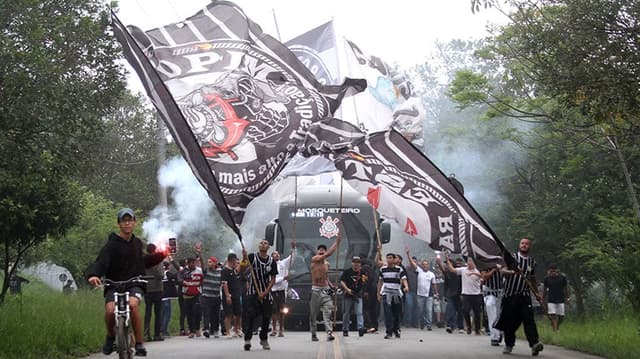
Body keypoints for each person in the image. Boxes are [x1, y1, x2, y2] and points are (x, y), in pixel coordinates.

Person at [86, 208, 166, 357]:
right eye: (124, 220)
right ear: (119, 224)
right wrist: (93, 275)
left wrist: (161, 255)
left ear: (134, 222)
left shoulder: (136, 243)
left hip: (134, 283)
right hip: (113, 284)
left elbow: (142, 262)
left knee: (133, 305)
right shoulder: (111, 245)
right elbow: (100, 262)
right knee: (110, 311)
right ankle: (110, 337)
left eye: (130, 220)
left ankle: (139, 343)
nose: (127, 223)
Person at [495, 238, 544, 356]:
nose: (524, 245)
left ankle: (534, 344)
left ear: (529, 247)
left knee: (529, 319)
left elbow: (532, 278)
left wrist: (537, 294)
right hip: (510, 294)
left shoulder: (532, 262)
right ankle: (509, 344)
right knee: (509, 321)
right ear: (519, 245)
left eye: (527, 244)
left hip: (524, 295)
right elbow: (502, 270)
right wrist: (513, 272)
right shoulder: (512, 258)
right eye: (522, 243)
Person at [239, 239, 277, 351]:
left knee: (266, 317)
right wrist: (244, 259)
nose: (263, 244)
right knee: (250, 317)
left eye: (265, 243)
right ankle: (247, 340)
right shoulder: (252, 257)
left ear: (268, 247)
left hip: (266, 293)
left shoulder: (271, 261)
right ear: (258, 246)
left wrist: (265, 292)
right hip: (252, 292)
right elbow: (241, 271)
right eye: (261, 243)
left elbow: (273, 278)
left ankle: (264, 339)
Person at [309, 234, 342, 342]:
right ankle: (313, 334)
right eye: (320, 250)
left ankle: (329, 332)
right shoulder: (314, 259)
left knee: (327, 312)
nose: (322, 251)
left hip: (326, 289)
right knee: (313, 315)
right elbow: (328, 254)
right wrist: (336, 243)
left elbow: (326, 277)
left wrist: (332, 286)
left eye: (323, 250)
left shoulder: (327, 264)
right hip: (316, 290)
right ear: (317, 252)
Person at [447, 256, 483, 335]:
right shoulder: (463, 270)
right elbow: (452, 270)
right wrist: (447, 260)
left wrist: (473, 273)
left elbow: (483, 277)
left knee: (477, 313)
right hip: (466, 294)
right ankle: (468, 326)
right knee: (465, 310)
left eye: (471, 261)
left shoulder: (478, 271)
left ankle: (477, 329)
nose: (469, 263)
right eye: (468, 261)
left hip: (476, 294)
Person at [378, 253, 409, 339]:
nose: (389, 260)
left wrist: (406, 286)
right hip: (386, 293)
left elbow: (404, 279)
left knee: (396, 313)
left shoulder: (399, 269)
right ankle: (389, 332)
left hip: (396, 293)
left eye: (391, 258)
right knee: (388, 313)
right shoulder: (382, 269)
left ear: (394, 259)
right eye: (387, 258)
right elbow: (380, 282)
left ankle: (396, 329)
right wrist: (378, 293)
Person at [270, 241, 296, 337]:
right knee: (273, 311)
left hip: (281, 291)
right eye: (274, 255)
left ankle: (281, 329)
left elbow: (292, 258)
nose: (276, 256)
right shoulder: (269, 266)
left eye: (277, 254)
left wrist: (293, 249)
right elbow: (272, 280)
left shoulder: (283, 264)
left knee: (282, 311)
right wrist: (282, 278)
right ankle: (274, 329)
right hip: (273, 290)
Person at [407, 253, 438, 331]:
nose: (425, 266)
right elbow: (412, 263)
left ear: (428, 266)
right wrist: (408, 254)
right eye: (423, 264)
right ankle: (422, 322)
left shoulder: (431, 274)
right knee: (420, 311)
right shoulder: (419, 271)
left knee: (429, 310)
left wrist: (436, 293)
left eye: (426, 264)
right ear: (422, 265)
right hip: (420, 295)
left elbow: (434, 284)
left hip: (429, 295)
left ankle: (429, 325)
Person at [198, 249, 223, 339]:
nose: (209, 263)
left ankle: (215, 330)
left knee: (216, 314)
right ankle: (206, 329)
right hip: (206, 296)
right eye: (208, 262)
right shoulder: (206, 271)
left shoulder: (220, 271)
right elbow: (202, 264)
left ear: (215, 263)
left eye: (210, 262)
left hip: (216, 296)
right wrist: (200, 254)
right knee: (206, 313)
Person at [436, 256, 464, 334]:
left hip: (459, 294)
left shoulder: (459, 272)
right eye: (446, 264)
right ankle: (450, 326)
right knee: (450, 310)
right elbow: (443, 270)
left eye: (448, 263)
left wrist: (462, 294)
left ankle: (460, 327)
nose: (447, 265)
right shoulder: (448, 272)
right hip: (451, 294)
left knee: (460, 311)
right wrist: (439, 262)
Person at [143, 243, 165, 342]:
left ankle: (146, 334)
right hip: (157, 289)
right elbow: (160, 275)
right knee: (158, 312)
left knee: (148, 312)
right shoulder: (158, 260)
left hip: (146, 288)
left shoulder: (143, 259)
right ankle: (157, 334)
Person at [340, 256, 366, 337]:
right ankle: (345, 329)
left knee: (359, 312)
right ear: (352, 263)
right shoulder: (347, 272)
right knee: (346, 313)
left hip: (358, 295)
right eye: (354, 262)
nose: (356, 264)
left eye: (358, 262)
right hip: (348, 295)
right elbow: (342, 281)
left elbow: (365, 283)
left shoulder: (363, 273)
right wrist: (347, 289)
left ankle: (360, 328)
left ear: (360, 264)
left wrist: (362, 291)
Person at [543, 263, 570, 331]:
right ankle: (555, 331)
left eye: (554, 271)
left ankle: (557, 326)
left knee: (561, 317)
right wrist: (543, 298)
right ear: (549, 271)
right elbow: (545, 289)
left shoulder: (562, 278)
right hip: (551, 300)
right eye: (551, 271)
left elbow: (565, 288)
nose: (553, 273)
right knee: (553, 316)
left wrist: (568, 297)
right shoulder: (546, 278)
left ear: (557, 271)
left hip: (560, 299)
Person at [221, 252, 242, 338]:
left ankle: (237, 330)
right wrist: (227, 295)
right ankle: (228, 331)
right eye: (235, 261)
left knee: (238, 313)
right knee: (228, 314)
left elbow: (239, 268)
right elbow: (224, 284)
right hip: (229, 295)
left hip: (236, 294)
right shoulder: (225, 271)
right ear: (231, 261)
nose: (236, 263)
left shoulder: (234, 270)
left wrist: (244, 257)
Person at [181, 256, 203, 338]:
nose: (193, 264)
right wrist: (183, 282)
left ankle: (197, 328)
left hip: (197, 294)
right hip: (187, 294)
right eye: (191, 263)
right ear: (188, 264)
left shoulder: (199, 271)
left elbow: (202, 281)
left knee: (197, 311)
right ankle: (191, 331)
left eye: (194, 263)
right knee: (189, 313)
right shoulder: (184, 271)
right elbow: (179, 278)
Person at [482, 266, 504, 346]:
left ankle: (499, 332)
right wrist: (494, 269)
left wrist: (501, 269)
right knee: (490, 309)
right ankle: (494, 337)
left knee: (500, 315)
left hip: (501, 292)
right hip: (490, 292)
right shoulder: (485, 263)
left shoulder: (502, 262)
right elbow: (484, 276)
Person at [160, 257, 180, 337]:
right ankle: (164, 330)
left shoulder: (160, 273)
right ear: (168, 267)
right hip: (166, 297)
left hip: (160, 296)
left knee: (161, 314)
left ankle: (160, 329)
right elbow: (178, 273)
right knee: (167, 314)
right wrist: (173, 261)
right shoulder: (168, 273)